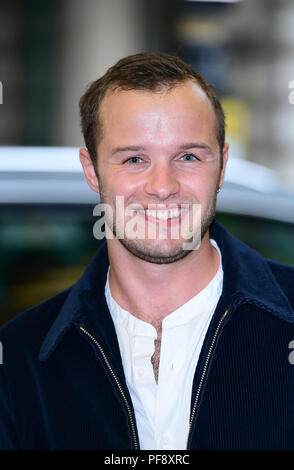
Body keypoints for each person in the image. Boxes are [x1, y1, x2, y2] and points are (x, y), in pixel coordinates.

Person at [0, 52, 294, 451]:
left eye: (188, 156)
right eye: (134, 159)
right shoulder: (20, 359)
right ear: (92, 171)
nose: (162, 186)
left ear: (222, 167)